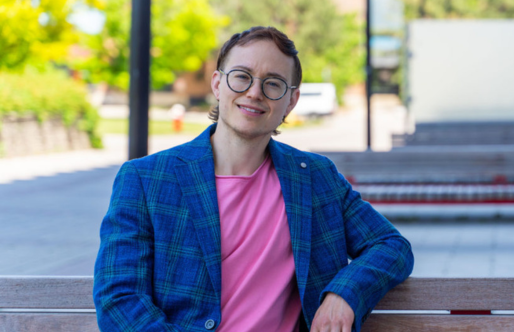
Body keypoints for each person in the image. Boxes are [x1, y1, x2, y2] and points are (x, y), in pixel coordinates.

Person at [94, 26, 413, 332]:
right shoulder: (146, 180)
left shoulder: (317, 179)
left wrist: (344, 292)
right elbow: (119, 299)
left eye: (273, 83)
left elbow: (391, 245)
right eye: (242, 77)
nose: (255, 92)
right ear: (218, 84)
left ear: (291, 101)